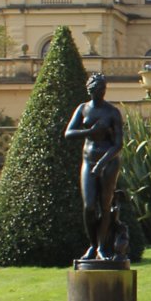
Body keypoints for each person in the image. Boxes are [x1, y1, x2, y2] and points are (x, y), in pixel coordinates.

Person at [63, 73, 128, 264]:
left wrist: (101, 164)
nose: (100, 93)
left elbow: (118, 144)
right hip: (88, 160)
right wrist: (90, 132)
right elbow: (68, 133)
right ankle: (92, 245)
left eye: (102, 89)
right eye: (97, 90)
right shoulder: (83, 109)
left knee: (105, 205)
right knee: (89, 206)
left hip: (108, 162)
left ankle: (101, 246)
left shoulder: (112, 112)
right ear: (90, 91)